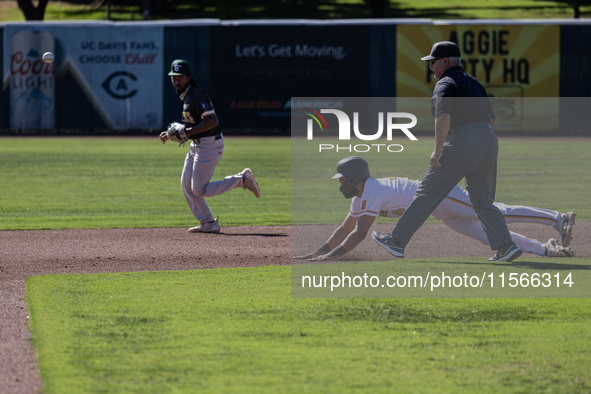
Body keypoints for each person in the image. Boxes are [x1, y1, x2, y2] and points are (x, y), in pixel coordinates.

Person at [372, 41, 523, 262]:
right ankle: (506, 246)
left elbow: (442, 116)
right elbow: (491, 119)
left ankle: (396, 241)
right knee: (482, 199)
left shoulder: (445, 83)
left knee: (427, 192)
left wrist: (438, 150)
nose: (431, 66)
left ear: (444, 61)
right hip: (489, 140)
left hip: (463, 141)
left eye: (433, 62)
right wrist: (481, 142)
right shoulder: (475, 84)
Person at [295, 157, 576, 261]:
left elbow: (358, 233)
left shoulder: (372, 191)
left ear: (356, 177)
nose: (341, 183)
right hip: (439, 209)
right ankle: (546, 249)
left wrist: (330, 258)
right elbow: (344, 228)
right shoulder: (360, 198)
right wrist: (316, 252)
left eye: (343, 179)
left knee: (496, 212)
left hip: (443, 195)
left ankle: (557, 218)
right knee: (488, 236)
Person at [160, 59, 260, 233]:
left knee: (199, 189)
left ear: (188, 77)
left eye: (180, 77)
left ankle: (241, 180)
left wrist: (187, 133)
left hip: (209, 145)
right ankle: (208, 223)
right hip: (197, 145)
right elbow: (191, 126)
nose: (176, 81)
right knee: (186, 185)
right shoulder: (187, 96)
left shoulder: (195, 96)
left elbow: (212, 121)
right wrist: (172, 135)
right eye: (173, 77)